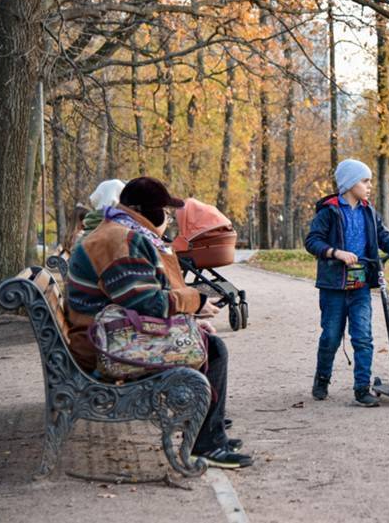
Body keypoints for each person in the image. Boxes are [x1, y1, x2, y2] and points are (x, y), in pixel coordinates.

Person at [65, 176, 250, 468]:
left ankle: (209, 429)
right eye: (163, 210)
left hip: (107, 333)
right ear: (142, 210)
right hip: (102, 347)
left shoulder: (123, 232)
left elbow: (140, 299)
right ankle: (207, 443)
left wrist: (187, 319)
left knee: (203, 340)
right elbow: (146, 303)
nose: (167, 217)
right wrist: (195, 303)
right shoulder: (121, 239)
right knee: (213, 349)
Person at [304, 159, 389, 406]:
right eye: (365, 181)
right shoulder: (329, 211)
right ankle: (322, 379)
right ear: (350, 183)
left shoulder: (368, 211)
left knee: (363, 337)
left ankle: (362, 388)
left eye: (370, 181)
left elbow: (383, 237)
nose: (369, 185)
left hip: (360, 285)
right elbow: (312, 241)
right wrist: (335, 252)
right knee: (331, 336)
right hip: (334, 286)